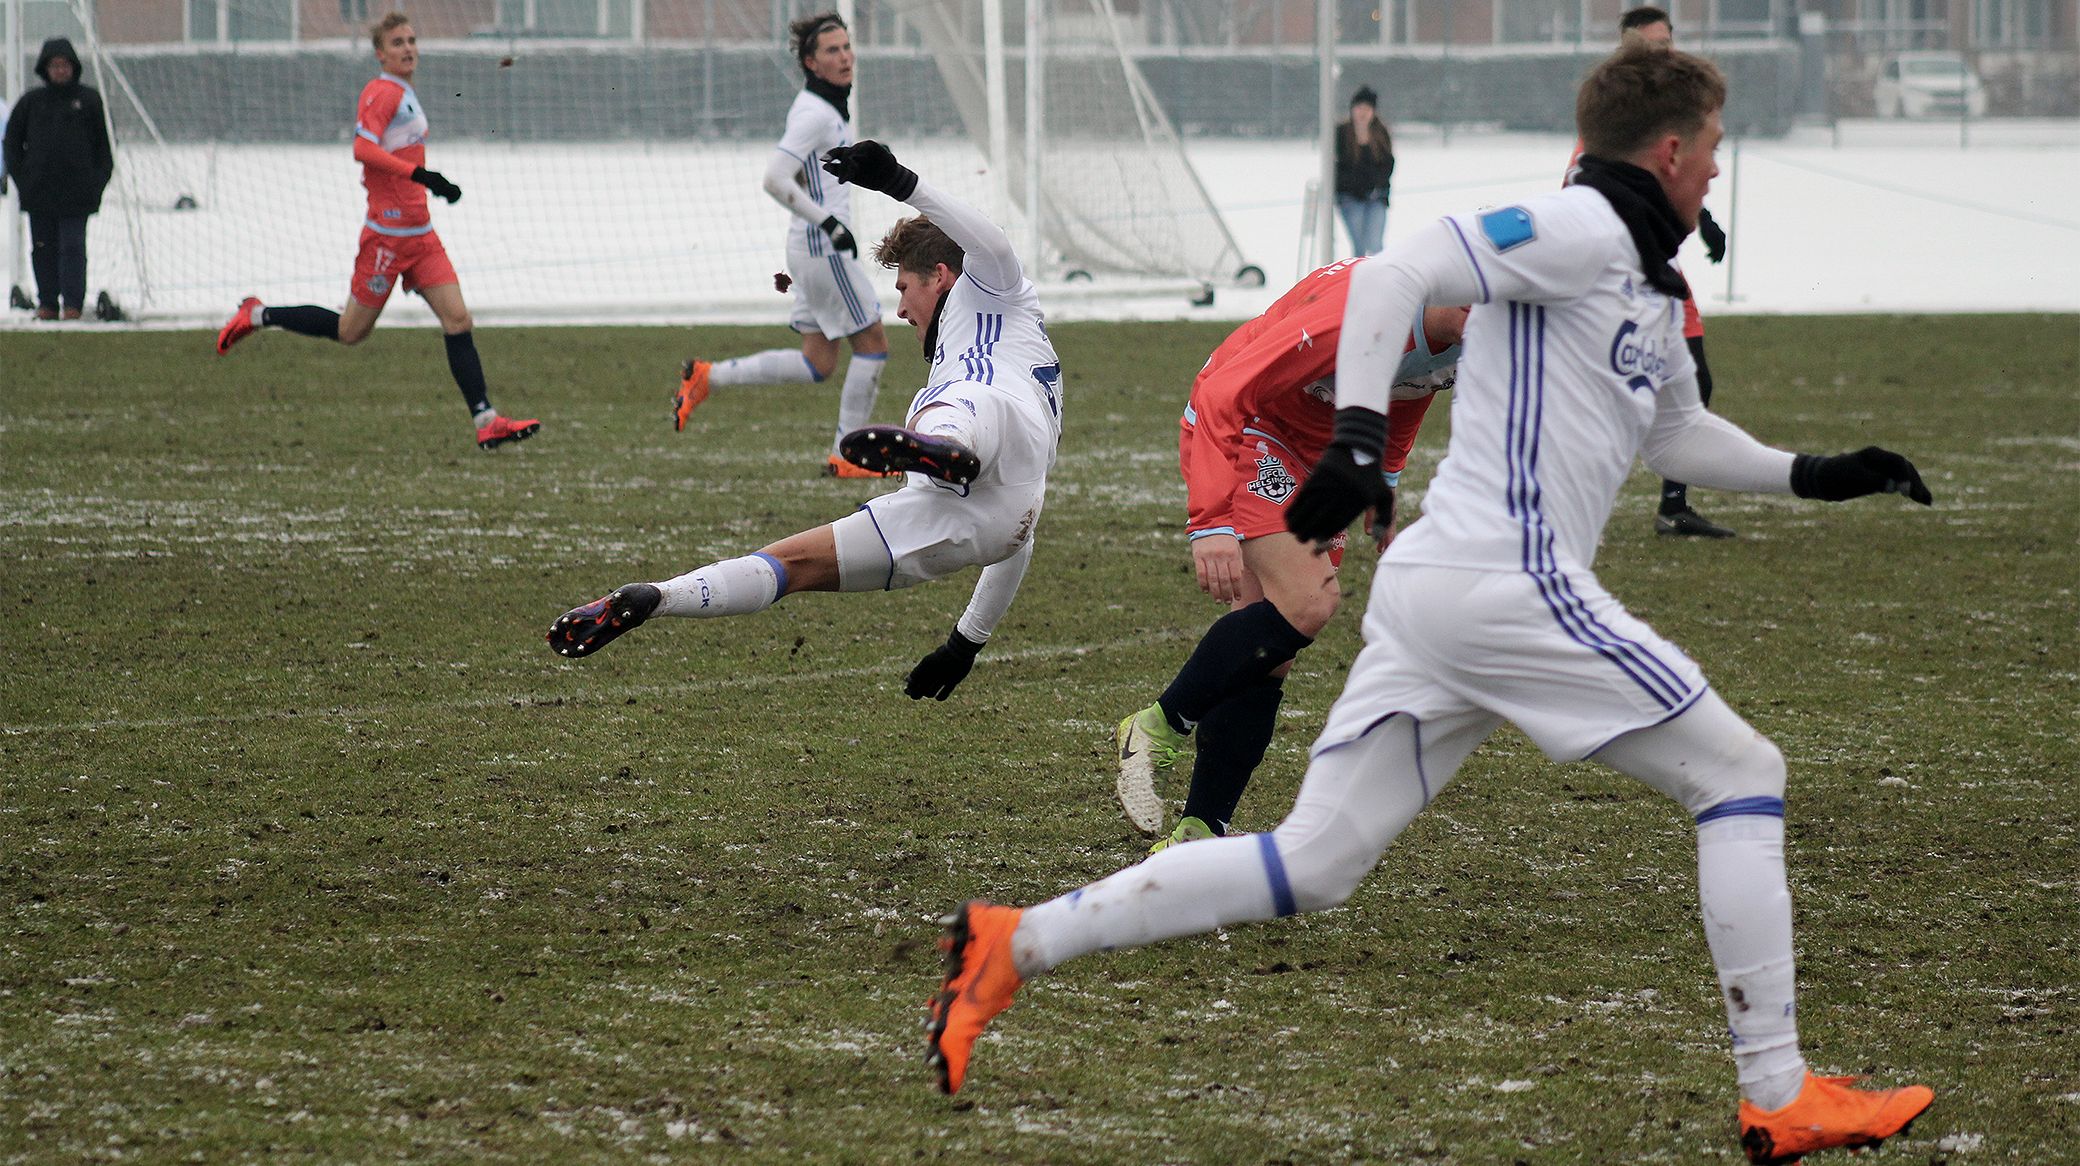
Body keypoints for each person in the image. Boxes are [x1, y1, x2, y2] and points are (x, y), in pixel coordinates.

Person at [926, 43, 1938, 1166]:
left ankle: (1014, 943)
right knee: (1742, 774)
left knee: (1313, 864)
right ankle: (1777, 1091)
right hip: (1506, 579)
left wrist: (1821, 471)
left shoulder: (1647, 282)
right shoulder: (1581, 227)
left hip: (1446, 595)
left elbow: (1676, 435)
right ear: (1668, 148)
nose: (1713, 169)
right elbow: (1404, 265)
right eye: (1708, 146)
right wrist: (1358, 435)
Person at [550, 140, 1062, 704]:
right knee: (788, 564)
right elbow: (1019, 532)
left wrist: (899, 180)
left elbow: (987, 237)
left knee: (953, 405)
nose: (899, 310)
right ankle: (656, 596)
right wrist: (964, 644)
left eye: (903, 288)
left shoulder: (991, 290)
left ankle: (944, 449)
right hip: (990, 520)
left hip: (981, 440)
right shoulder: (986, 361)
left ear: (940, 276)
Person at [1114, 258, 1465, 849]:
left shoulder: (1475, 332)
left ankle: (1199, 830)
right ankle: (1158, 725)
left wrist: (1383, 487)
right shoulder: (1362, 312)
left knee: (1268, 653)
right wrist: (1212, 522)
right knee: (1309, 603)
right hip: (1247, 425)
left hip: (1321, 449)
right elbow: (1227, 392)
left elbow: (1407, 394)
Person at [212, 12, 539, 453]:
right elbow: (362, 149)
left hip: (420, 235)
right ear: (380, 53)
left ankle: (485, 420)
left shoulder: (405, 92)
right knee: (351, 331)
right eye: (397, 42)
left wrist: (426, 185)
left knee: (458, 319)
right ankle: (257, 314)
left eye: (411, 39)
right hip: (386, 237)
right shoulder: (380, 91)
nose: (408, 48)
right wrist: (423, 177)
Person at [671, 11, 893, 480]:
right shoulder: (814, 113)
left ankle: (708, 376)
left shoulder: (824, 106)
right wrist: (828, 221)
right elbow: (774, 177)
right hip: (822, 247)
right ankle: (849, 456)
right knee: (872, 344)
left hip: (808, 247)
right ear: (811, 63)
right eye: (832, 50)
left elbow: (808, 172)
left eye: (847, 47)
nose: (845, 56)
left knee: (818, 362)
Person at [1570, 6, 1736, 538]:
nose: (1665, 51)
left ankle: (1673, 504)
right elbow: (1583, 193)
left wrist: (1704, 221)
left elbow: (1676, 173)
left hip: (1663, 278)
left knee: (1695, 381)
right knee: (1606, 396)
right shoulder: (1614, 124)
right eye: (1653, 44)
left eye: (1668, 41)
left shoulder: (1672, 118)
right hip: (1622, 280)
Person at [3, 38, 114, 322]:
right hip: (40, 194)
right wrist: (24, 181)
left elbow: (104, 148)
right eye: (55, 65)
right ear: (45, 68)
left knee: (73, 248)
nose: (60, 70)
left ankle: (73, 305)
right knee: (43, 249)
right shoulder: (31, 102)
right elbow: (12, 144)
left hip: (77, 195)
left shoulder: (88, 101)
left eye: (64, 65)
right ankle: (47, 304)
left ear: (73, 67)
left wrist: (96, 183)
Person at [1333, 86, 1394, 258]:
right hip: (1350, 198)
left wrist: (1376, 185)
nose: (1362, 113)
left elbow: (1386, 165)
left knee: (1375, 245)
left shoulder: (1381, 133)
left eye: (1367, 109)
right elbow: (1340, 168)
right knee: (1360, 246)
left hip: (1376, 197)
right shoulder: (1342, 133)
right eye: (1359, 108)